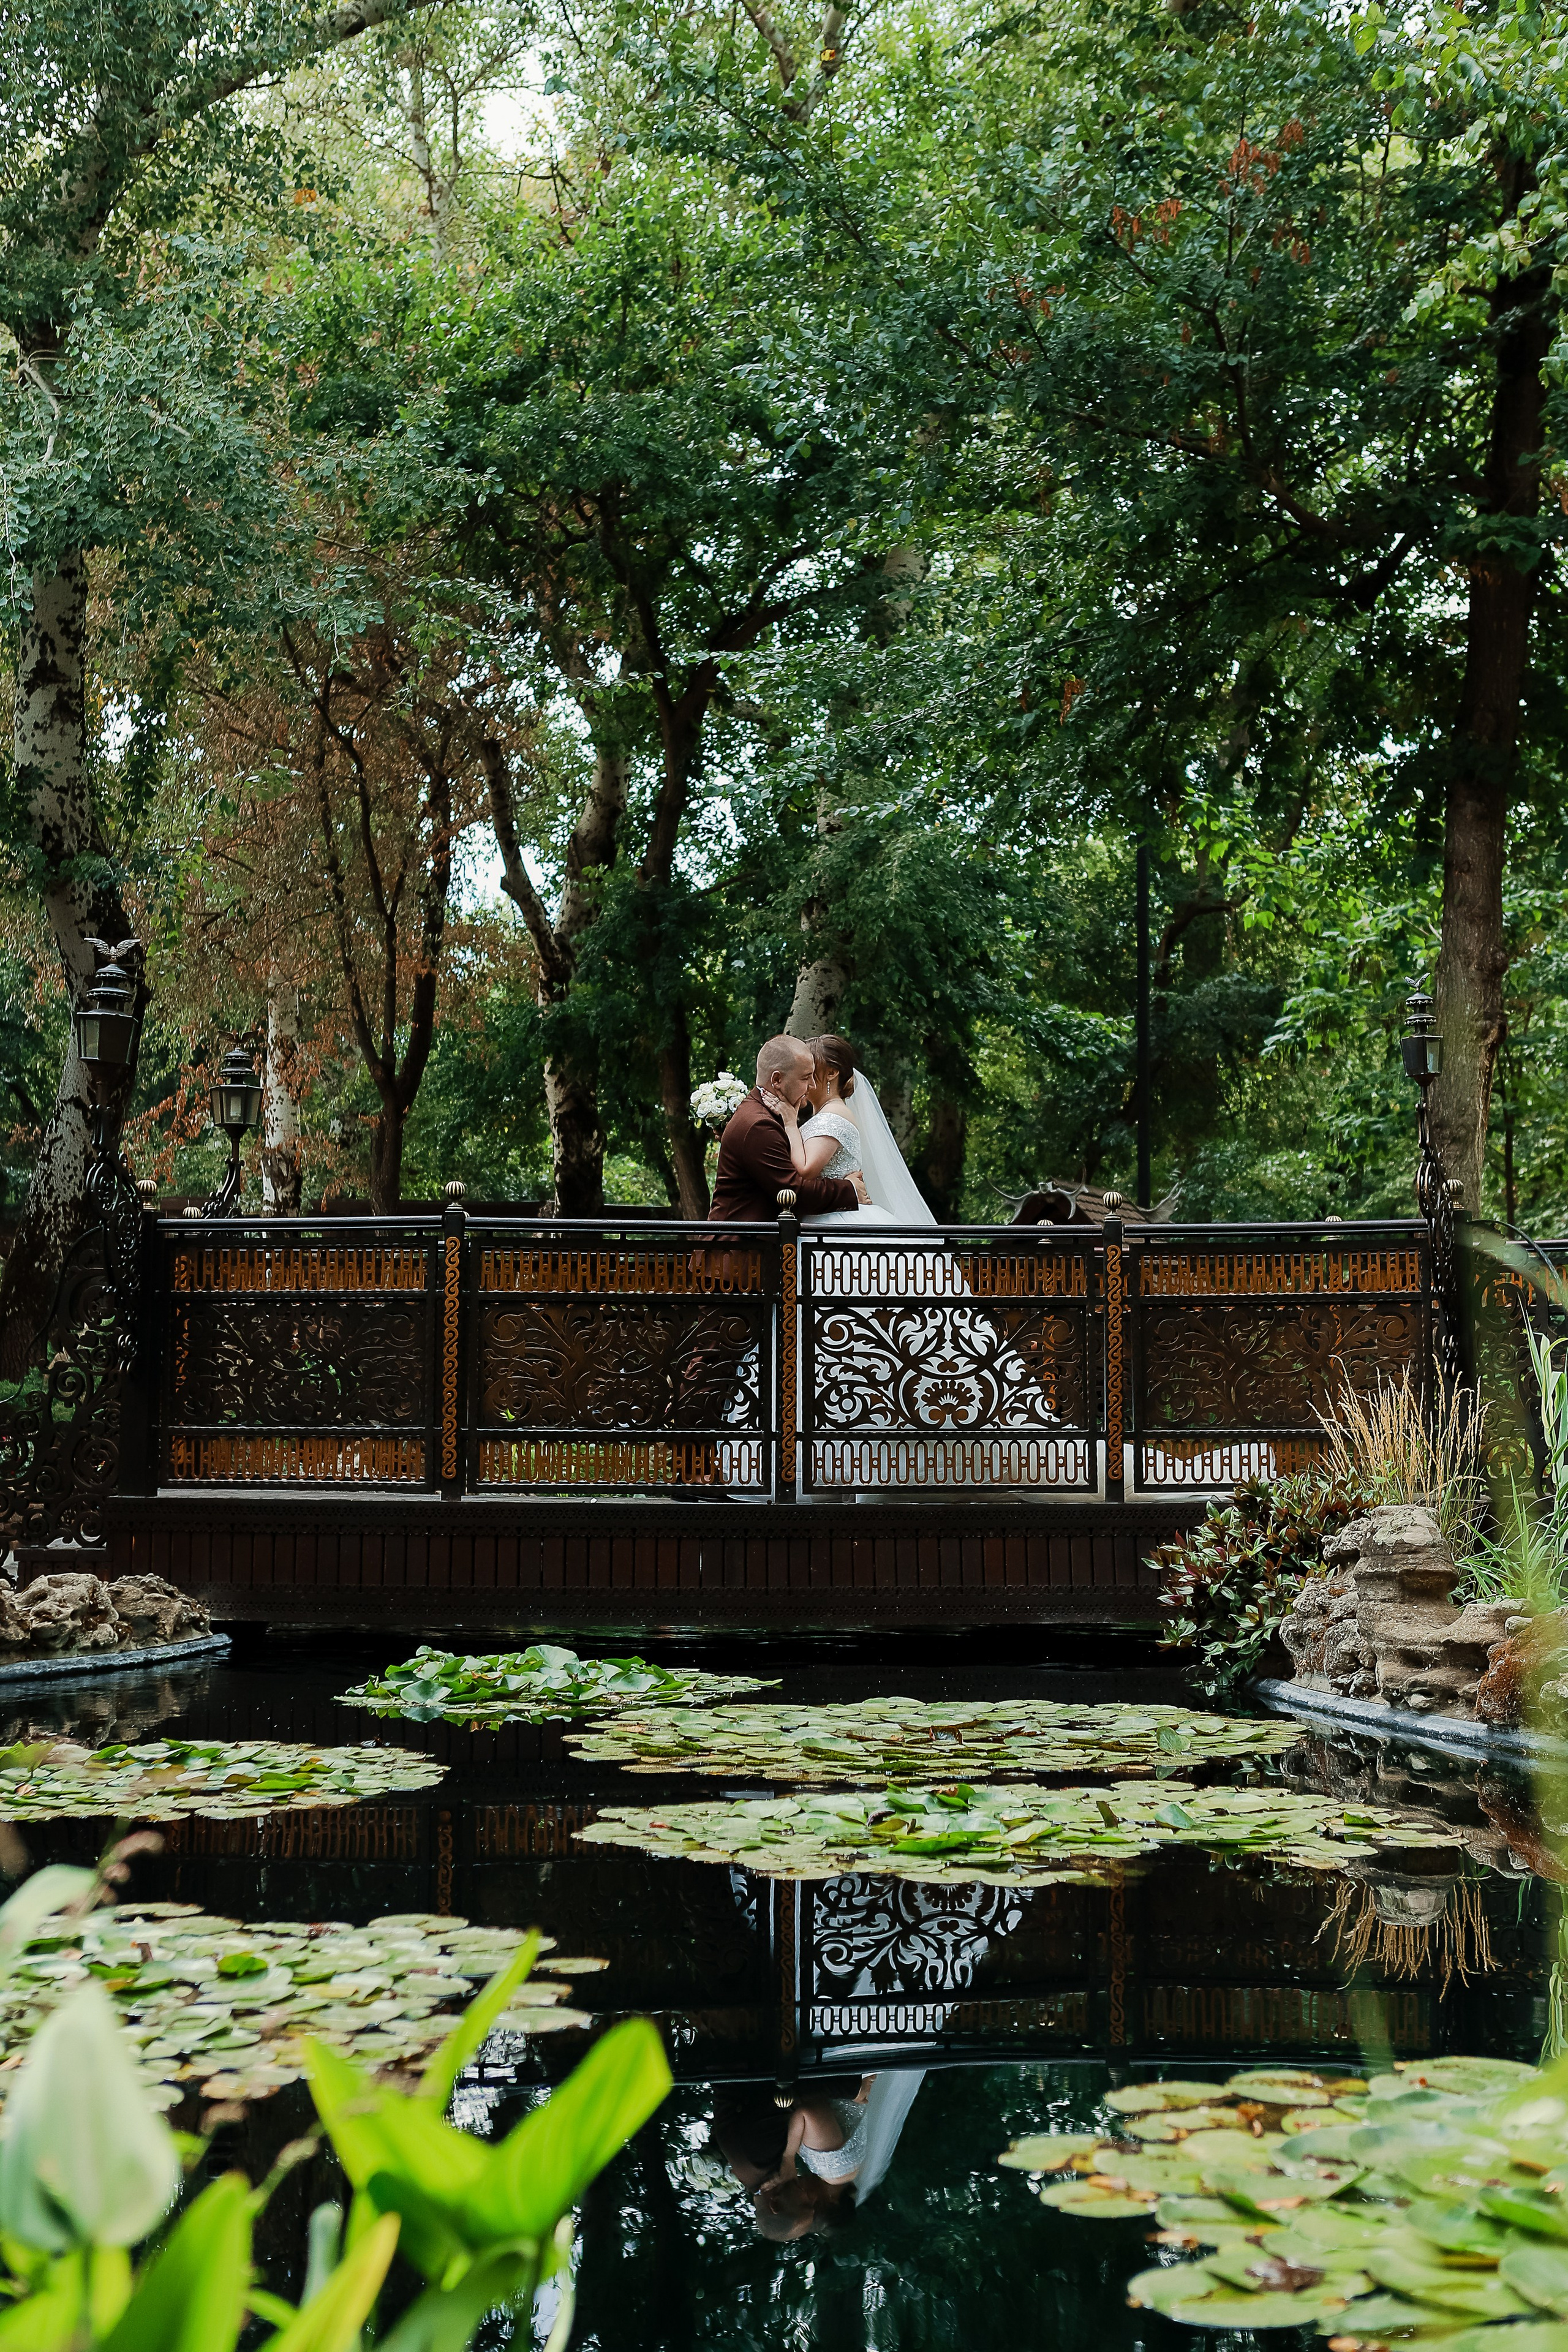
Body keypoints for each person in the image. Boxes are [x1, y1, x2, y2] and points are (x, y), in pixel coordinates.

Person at [708, 1036, 867, 1223]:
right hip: (740, 1247)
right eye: (805, 1077)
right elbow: (793, 1191)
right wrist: (849, 1189)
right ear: (777, 1080)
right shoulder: (759, 1125)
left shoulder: (768, 1115)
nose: (812, 1085)